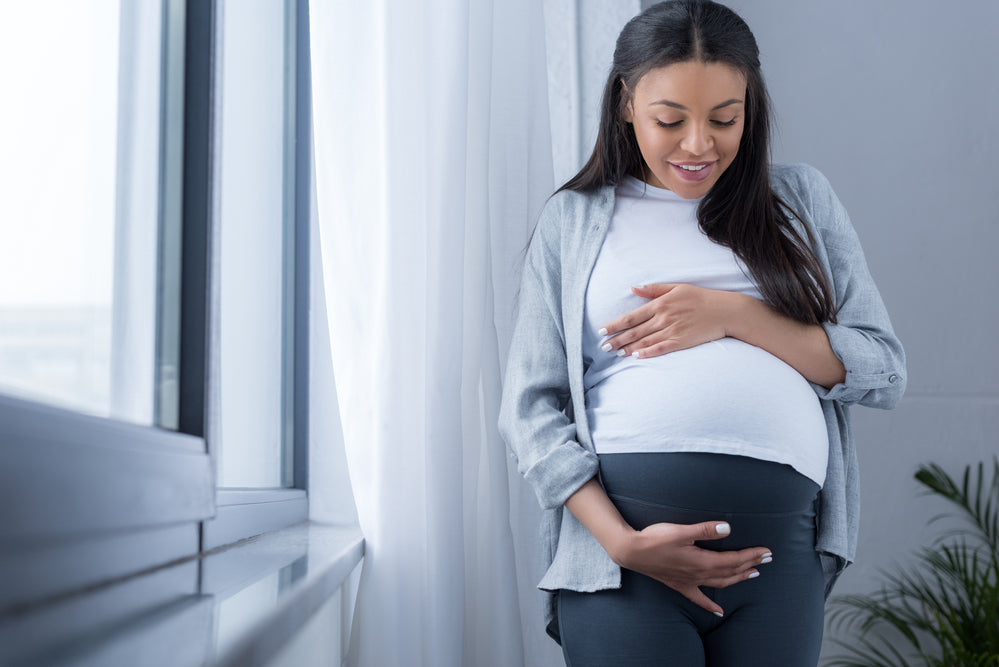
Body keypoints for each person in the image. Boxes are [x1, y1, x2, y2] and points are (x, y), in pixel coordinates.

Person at [497, 1, 906, 665]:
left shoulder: (799, 201)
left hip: (778, 563)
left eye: (724, 118)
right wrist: (619, 541)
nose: (697, 144)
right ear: (627, 103)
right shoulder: (574, 220)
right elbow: (528, 409)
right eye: (669, 119)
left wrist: (731, 314)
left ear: (751, 106)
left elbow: (881, 368)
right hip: (624, 559)